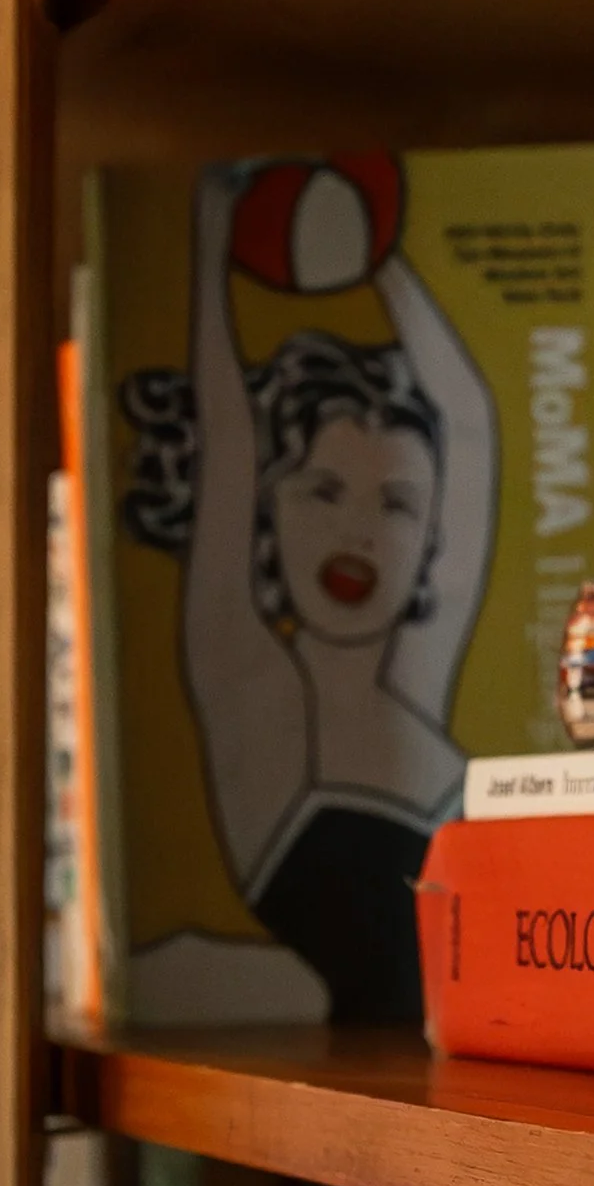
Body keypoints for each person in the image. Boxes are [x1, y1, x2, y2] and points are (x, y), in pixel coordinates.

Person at [123, 157, 496, 1024]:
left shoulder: (416, 690)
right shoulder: (252, 687)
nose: (358, 531)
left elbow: (470, 426)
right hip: (345, 1100)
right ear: (266, 519)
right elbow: (227, 447)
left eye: (396, 503)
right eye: (321, 492)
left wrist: (382, 254)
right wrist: (213, 236)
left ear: (429, 540)